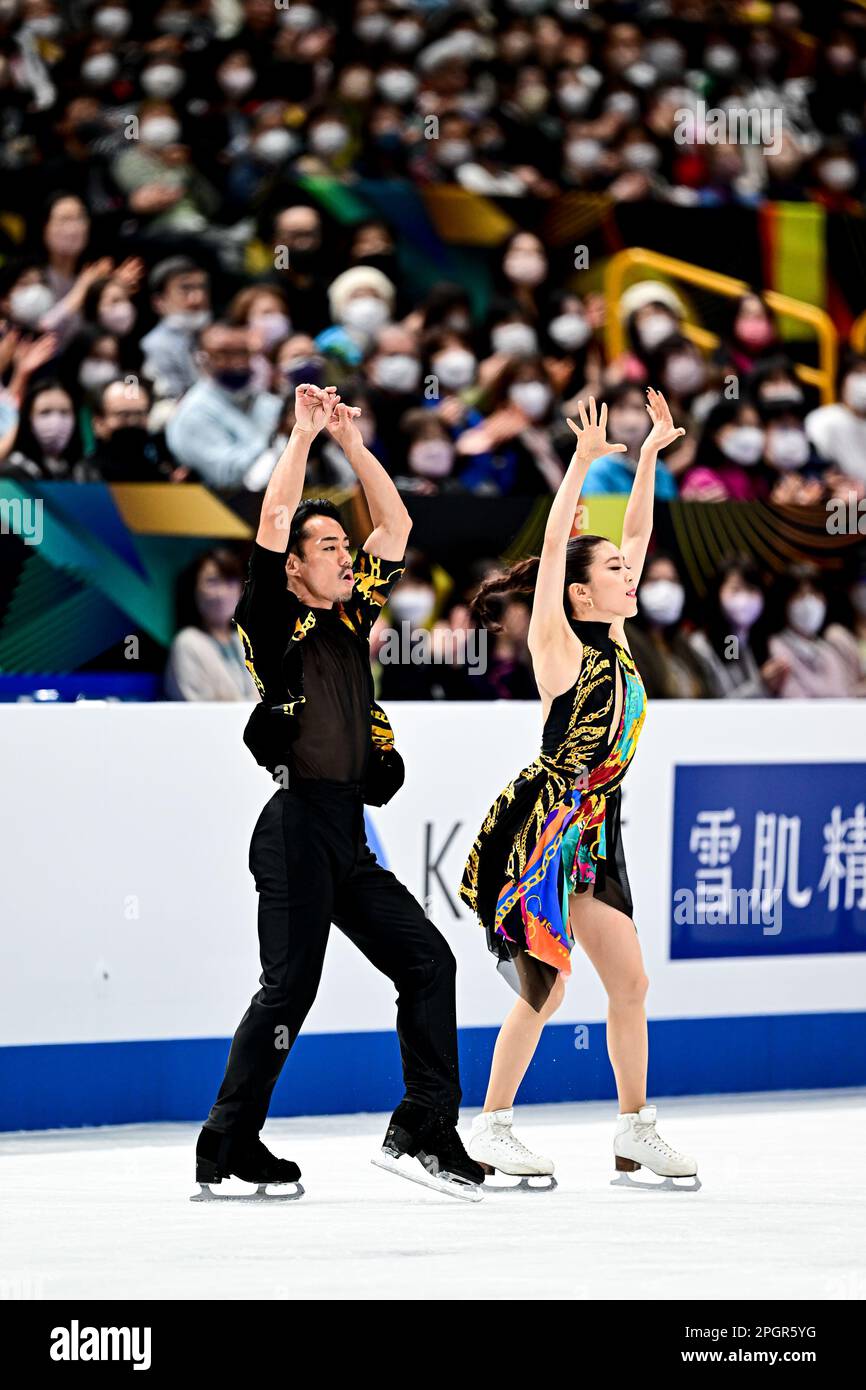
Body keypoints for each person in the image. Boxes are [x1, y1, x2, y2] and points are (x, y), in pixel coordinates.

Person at [195, 383, 484, 1200]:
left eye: (343, 548)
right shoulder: (270, 619)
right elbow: (274, 521)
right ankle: (228, 1139)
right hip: (293, 829)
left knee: (428, 961)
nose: (346, 555)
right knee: (289, 990)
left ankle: (426, 1124)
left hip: (346, 833)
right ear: (294, 565)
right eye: (329, 547)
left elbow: (398, 526)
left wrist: (353, 444)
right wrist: (300, 437)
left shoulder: (354, 617)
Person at [458, 392, 699, 1191]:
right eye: (616, 575)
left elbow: (634, 532)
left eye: (632, 573)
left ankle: (634, 1131)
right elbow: (563, 542)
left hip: (602, 828)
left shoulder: (620, 635)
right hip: (551, 826)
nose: (632, 575)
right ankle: (489, 1126)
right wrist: (580, 464)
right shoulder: (558, 646)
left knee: (629, 981)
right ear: (579, 593)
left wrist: (651, 456)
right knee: (548, 986)